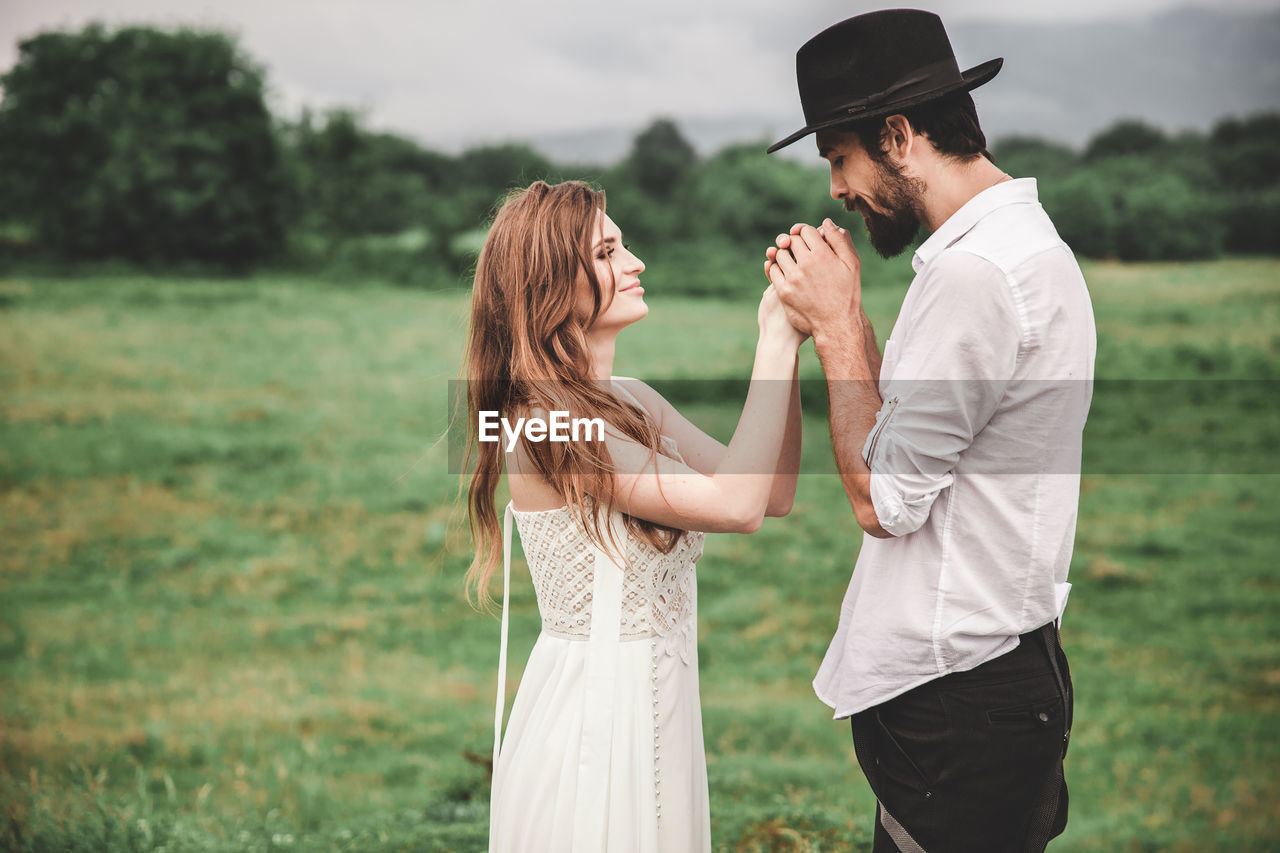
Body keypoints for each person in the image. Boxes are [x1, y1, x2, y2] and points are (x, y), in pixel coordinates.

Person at [762, 10, 1097, 853]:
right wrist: (859, 336)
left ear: (899, 135)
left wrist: (838, 331)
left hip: (960, 693)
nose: (837, 186)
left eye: (840, 157)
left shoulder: (972, 276)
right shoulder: (1021, 246)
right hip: (991, 674)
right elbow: (917, 440)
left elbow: (885, 500)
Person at [462, 179, 804, 852]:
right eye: (609, 251)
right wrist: (773, 338)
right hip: (597, 722)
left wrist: (791, 340)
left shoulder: (632, 399)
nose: (636, 262)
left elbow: (772, 492)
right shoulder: (545, 423)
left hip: (658, 707)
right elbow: (737, 508)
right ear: (552, 285)